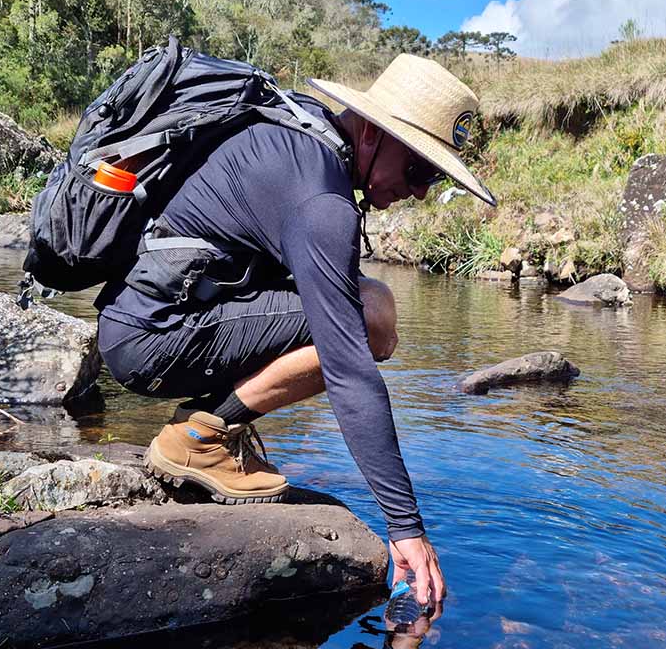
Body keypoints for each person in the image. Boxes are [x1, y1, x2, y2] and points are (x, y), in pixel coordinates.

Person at [95, 54, 497, 607]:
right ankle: (201, 437)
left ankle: (202, 429)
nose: (423, 191)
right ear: (375, 134)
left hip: (151, 314)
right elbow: (349, 370)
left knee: (372, 298)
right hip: (151, 335)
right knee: (371, 322)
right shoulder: (321, 201)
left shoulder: (304, 131)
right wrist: (406, 527)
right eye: (421, 170)